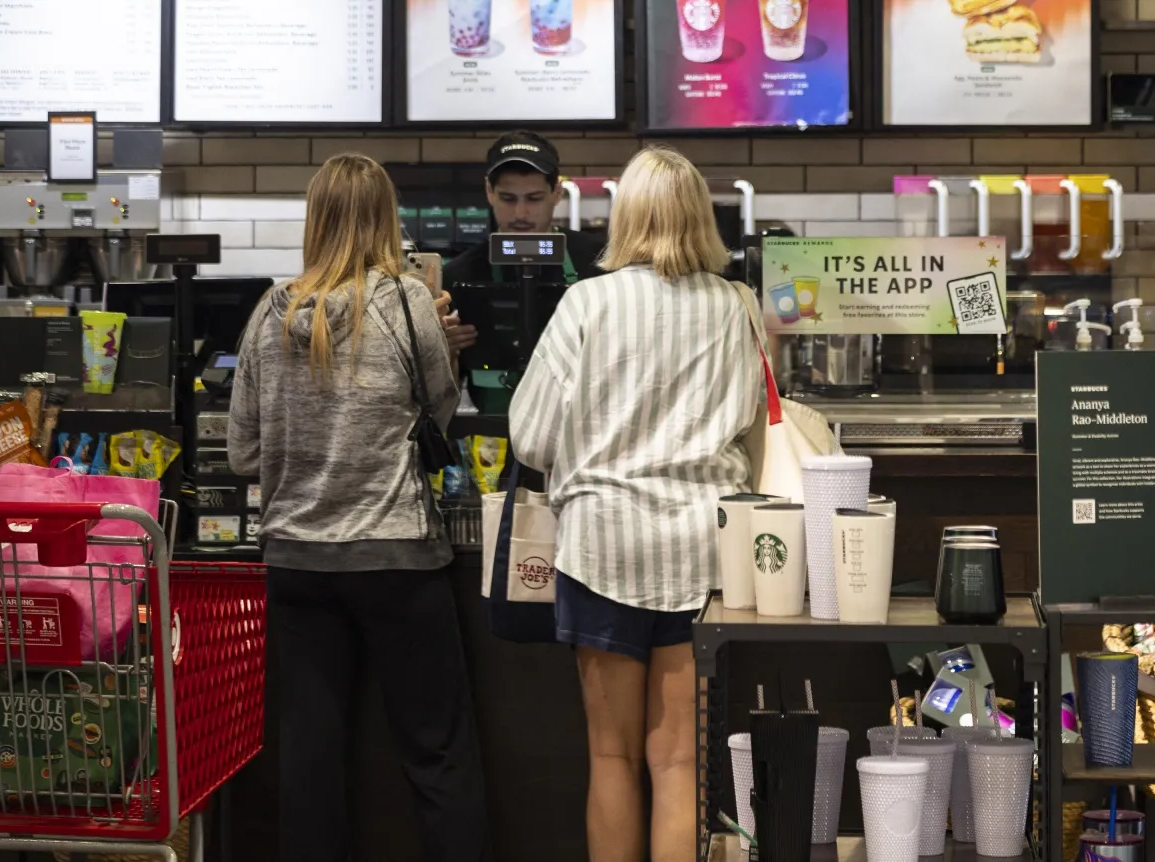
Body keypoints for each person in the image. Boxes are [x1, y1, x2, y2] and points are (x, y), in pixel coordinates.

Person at [227, 152, 482, 862]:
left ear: (315, 220)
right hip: (397, 556)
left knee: (310, 755)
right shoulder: (406, 303)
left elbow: (243, 455)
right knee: (437, 753)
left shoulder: (269, 314)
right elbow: (438, 414)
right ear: (387, 221)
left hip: (298, 562)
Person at [511, 147, 763, 862]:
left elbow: (530, 435)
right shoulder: (735, 305)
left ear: (626, 218)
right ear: (699, 217)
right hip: (703, 549)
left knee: (612, 760)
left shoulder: (586, 302)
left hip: (601, 547)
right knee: (681, 763)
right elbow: (751, 419)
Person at [441, 131, 603, 414]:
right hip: (492, 443)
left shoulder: (598, 263)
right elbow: (442, 395)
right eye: (508, 198)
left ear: (557, 192)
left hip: (579, 436)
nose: (520, 213)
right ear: (489, 192)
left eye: (534, 198)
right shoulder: (458, 274)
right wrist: (445, 352)